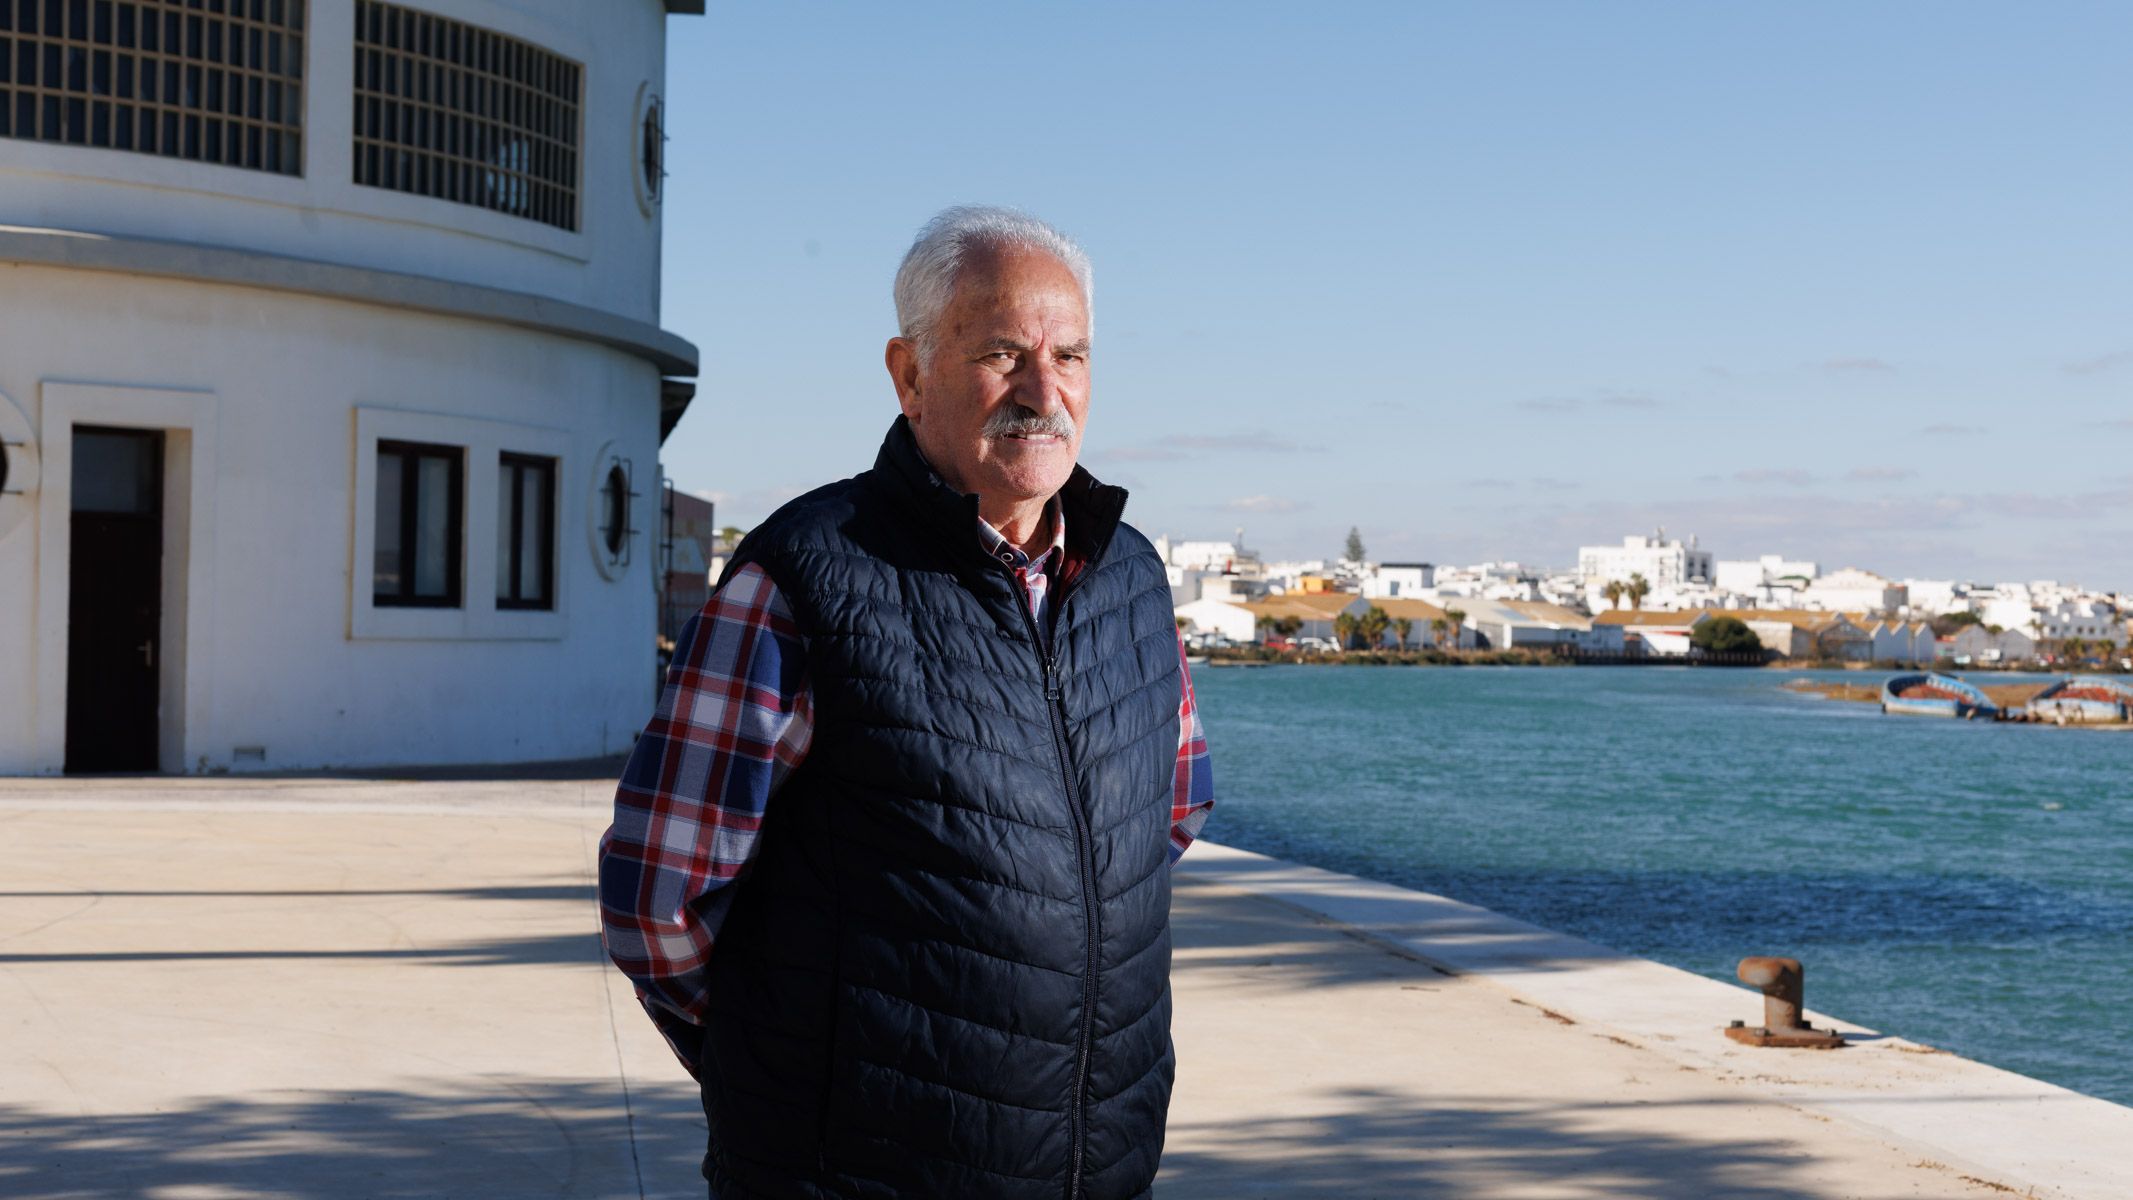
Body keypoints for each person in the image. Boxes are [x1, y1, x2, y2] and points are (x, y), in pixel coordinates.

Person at [599, 206, 1215, 1200]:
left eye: (1071, 355)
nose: (1043, 390)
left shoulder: (1131, 579)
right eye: (1003, 353)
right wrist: (792, 1069)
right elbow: (656, 901)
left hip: (1097, 1166)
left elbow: (1170, 818)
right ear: (909, 372)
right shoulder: (804, 578)